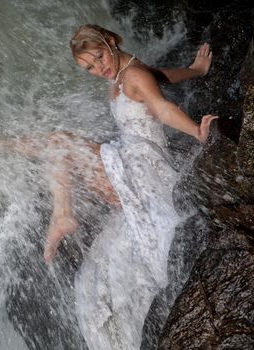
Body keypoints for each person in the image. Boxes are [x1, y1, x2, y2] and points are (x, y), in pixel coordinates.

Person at [42, 24, 217, 265]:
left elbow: (161, 108)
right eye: (90, 67)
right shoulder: (128, 73)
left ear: (110, 42)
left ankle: (62, 216)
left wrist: (197, 131)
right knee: (55, 150)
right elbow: (159, 76)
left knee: (58, 142)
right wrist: (195, 70)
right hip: (134, 167)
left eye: (99, 57)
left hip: (141, 177)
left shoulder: (133, 75)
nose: (99, 68)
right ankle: (60, 214)